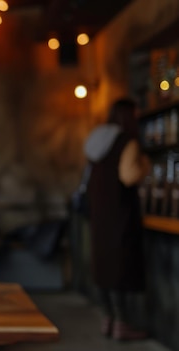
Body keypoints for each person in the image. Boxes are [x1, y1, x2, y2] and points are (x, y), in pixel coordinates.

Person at [83, 97, 151, 341]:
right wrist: (145, 163)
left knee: (104, 265)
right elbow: (129, 176)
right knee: (121, 266)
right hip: (120, 214)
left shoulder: (97, 139)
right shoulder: (126, 141)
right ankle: (122, 324)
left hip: (100, 213)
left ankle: (108, 319)